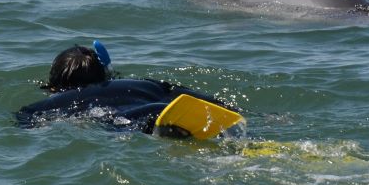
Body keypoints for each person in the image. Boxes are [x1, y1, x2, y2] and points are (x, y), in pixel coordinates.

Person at [16, 43, 234, 137]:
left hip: (132, 121)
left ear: (53, 86)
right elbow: (214, 103)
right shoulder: (144, 84)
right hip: (162, 109)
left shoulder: (54, 103)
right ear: (104, 74)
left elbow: (25, 122)